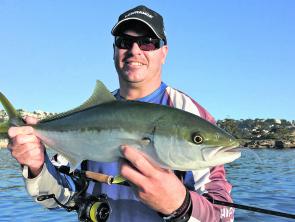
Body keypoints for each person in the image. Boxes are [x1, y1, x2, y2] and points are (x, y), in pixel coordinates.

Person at [8, 5, 234, 222]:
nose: (135, 50)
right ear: (115, 51)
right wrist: (37, 166)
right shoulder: (90, 114)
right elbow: (60, 197)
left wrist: (180, 206)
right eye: (125, 42)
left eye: (148, 42)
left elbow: (223, 214)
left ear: (163, 52)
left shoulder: (188, 112)